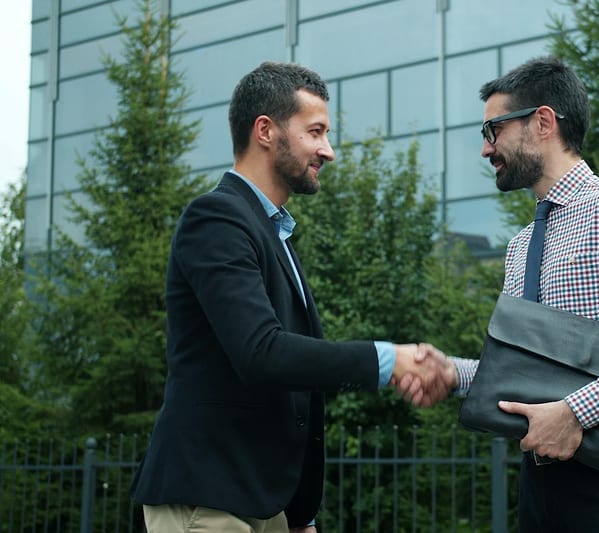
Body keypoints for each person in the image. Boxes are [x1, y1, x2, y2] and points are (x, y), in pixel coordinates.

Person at [129, 61, 455, 533]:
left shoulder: (271, 231)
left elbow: (289, 391)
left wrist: (298, 514)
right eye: (316, 131)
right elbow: (263, 354)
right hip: (206, 503)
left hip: (262, 507)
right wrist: (390, 361)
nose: (329, 150)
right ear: (266, 130)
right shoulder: (216, 219)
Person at [398, 56, 599, 532]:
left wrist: (576, 413)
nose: (486, 151)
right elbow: (528, 370)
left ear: (543, 122)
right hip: (540, 484)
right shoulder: (523, 244)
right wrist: (454, 374)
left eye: (493, 130)